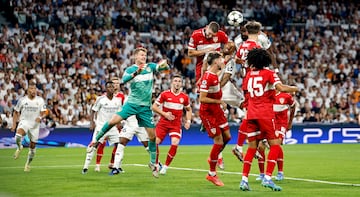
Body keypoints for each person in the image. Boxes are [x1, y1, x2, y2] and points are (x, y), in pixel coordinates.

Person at [90, 47, 169, 178]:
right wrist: (136, 72)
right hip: (132, 104)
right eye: (141, 55)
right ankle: (95, 141)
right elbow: (124, 80)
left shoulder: (150, 67)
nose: (144, 57)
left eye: (145, 55)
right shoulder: (130, 69)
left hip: (145, 107)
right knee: (112, 121)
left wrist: (164, 64)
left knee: (152, 137)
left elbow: (164, 68)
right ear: (135, 57)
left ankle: (152, 164)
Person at [239, 48, 298, 191]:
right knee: (275, 144)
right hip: (265, 114)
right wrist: (294, 88)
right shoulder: (269, 73)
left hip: (251, 114)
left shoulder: (248, 76)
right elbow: (280, 88)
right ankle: (268, 178)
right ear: (265, 60)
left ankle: (244, 180)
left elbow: (246, 95)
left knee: (252, 148)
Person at [232, 21, 263, 163]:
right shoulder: (257, 46)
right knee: (251, 115)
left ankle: (252, 144)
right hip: (255, 83)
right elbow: (262, 67)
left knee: (252, 115)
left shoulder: (242, 46)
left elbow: (237, 59)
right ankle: (239, 146)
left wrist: (244, 62)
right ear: (258, 33)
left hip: (247, 83)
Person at [199, 52, 231, 187]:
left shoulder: (214, 74)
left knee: (227, 138)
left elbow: (221, 68)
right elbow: (202, 98)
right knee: (218, 141)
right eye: (220, 59)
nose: (222, 60)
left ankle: (213, 157)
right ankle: (212, 174)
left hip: (217, 111)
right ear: (215, 62)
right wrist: (219, 101)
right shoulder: (207, 77)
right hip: (208, 113)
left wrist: (228, 58)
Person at [152, 74, 192, 175]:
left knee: (175, 142)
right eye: (175, 81)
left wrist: (188, 121)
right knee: (155, 142)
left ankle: (165, 167)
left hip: (175, 124)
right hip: (164, 123)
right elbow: (154, 107)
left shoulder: (184, 97)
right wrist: (165, 114)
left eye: (179, 81)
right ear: (172, 82)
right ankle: (156, 164)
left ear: (181, 84)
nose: (177, 83)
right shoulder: (165, 94)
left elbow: (188, 110)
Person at [82, 81, 123, 174]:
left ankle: (116, 167)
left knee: (119, 145)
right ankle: (85, 167)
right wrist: (92, 123)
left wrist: (119, 122)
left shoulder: (118, 101)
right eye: (109, 87)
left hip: (112, 127)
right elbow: (93, 111)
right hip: (101, 127)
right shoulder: (100, 99)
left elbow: (119, 113)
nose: (111, 89)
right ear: (106, 89)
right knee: (94, 145)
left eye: (112, 87)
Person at [11, 81, 47, 172]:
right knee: (18, 135)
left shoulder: (40, 100)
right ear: (28, 90)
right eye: (31, 88)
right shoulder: (22, 100)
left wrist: (40, 117)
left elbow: (45, 111)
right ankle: (19, 147)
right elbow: (16, 112)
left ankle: (27, 164)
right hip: (25, 122)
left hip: (35, 126)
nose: (33, 90)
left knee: (32, 146)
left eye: (35, 88)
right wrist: (14, 124)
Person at [93, 77, 125, 172]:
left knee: (118, 145)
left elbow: (122, 109)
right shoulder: (104, 96)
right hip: (105, 123)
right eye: (114, 83)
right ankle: (97, 164)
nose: (115, 85)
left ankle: (114, 164)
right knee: (101, 143)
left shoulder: (121, 96)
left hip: (116, 124)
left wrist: (121, 122)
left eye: (117, 83)